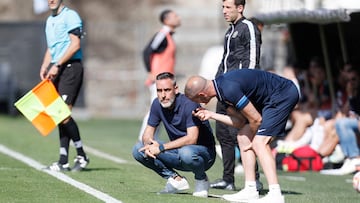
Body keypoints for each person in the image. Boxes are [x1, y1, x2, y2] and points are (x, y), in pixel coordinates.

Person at [185, 68, 300, 203]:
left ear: (202, 95)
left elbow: (256, 120)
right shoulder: (221, 91)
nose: (199, 103)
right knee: (243, 136)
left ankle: (275, 194)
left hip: (283, 94)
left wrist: (255, 141)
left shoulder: (228, 89)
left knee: (259, 143)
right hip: (272, 97)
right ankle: (250, 189)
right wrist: (211, 115)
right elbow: (240, 122)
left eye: (196, 99)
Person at [132, 72, 216, 198]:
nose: (163, 95)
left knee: (186, 152)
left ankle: (201, 179)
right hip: (178, 152)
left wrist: (160, 148)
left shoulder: (189, 103)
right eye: (159, 91)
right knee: (138, 149)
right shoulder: (157, 104)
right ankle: (176, 179)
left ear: (176, 89)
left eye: (167, 90)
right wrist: (149, 144)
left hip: (203, 155)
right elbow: (147, 133)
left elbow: (191, 139)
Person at [210, 0, 262, 191]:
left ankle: (254, 179)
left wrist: (243, 90)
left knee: (243, 134)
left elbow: (252, 61)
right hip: (224, 91)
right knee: (223, 135)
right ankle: (228, 179)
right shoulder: (230, 31)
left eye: (228, 7)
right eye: (222, 7)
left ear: (240, 8)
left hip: (239, 93)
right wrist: (215, 86)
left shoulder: (248, 27)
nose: (224, 11)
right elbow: (225, 62)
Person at [39, 0, 89, 172]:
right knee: (58, 114)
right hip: (57, 68)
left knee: (62, 113)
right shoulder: (49, 20)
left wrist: (58, 64)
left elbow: (75, 45)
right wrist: (46, 65)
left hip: (70, 68)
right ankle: (63, 161)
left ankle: (82, 155)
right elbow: (51, 48)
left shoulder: (71, 16)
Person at [138, 9, 181, 141]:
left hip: (165, 80)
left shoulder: (169, 35)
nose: (178, 18)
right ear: (166, 20)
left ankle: (152, 138)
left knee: (161, 109)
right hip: (158, 81)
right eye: (175, 16)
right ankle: (143, 139)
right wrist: (150, 72)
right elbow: (146, 51)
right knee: (155, 108)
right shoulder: (162, 34)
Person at [320, 67, 360, 175]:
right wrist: (351, 95)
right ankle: (351, 158)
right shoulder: (351, 93)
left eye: (354, 79)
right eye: (349, 80)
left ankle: (353, 158)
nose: (351, 83)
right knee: (338, 123)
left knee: (342, 123)